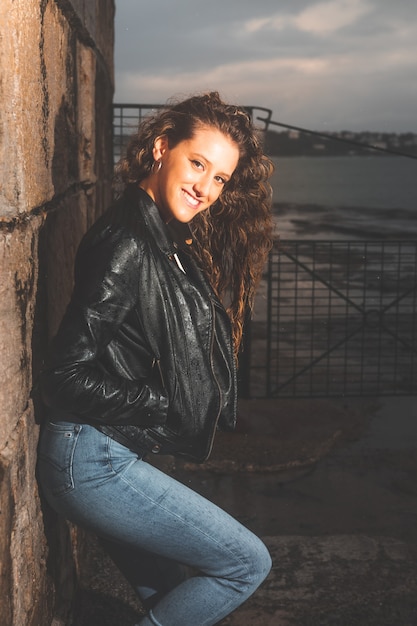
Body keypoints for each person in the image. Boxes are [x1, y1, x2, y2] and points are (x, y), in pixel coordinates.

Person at [37, 91, 274, 626]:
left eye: (220, 178)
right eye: (198, 163)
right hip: (90, 460)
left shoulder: (162, 233)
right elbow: (61, 376)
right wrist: (159, 401)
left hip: (103, 452)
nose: (206, 188)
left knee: (173, 597)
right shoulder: (128, 242)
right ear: (162, 148)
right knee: (244, 563)